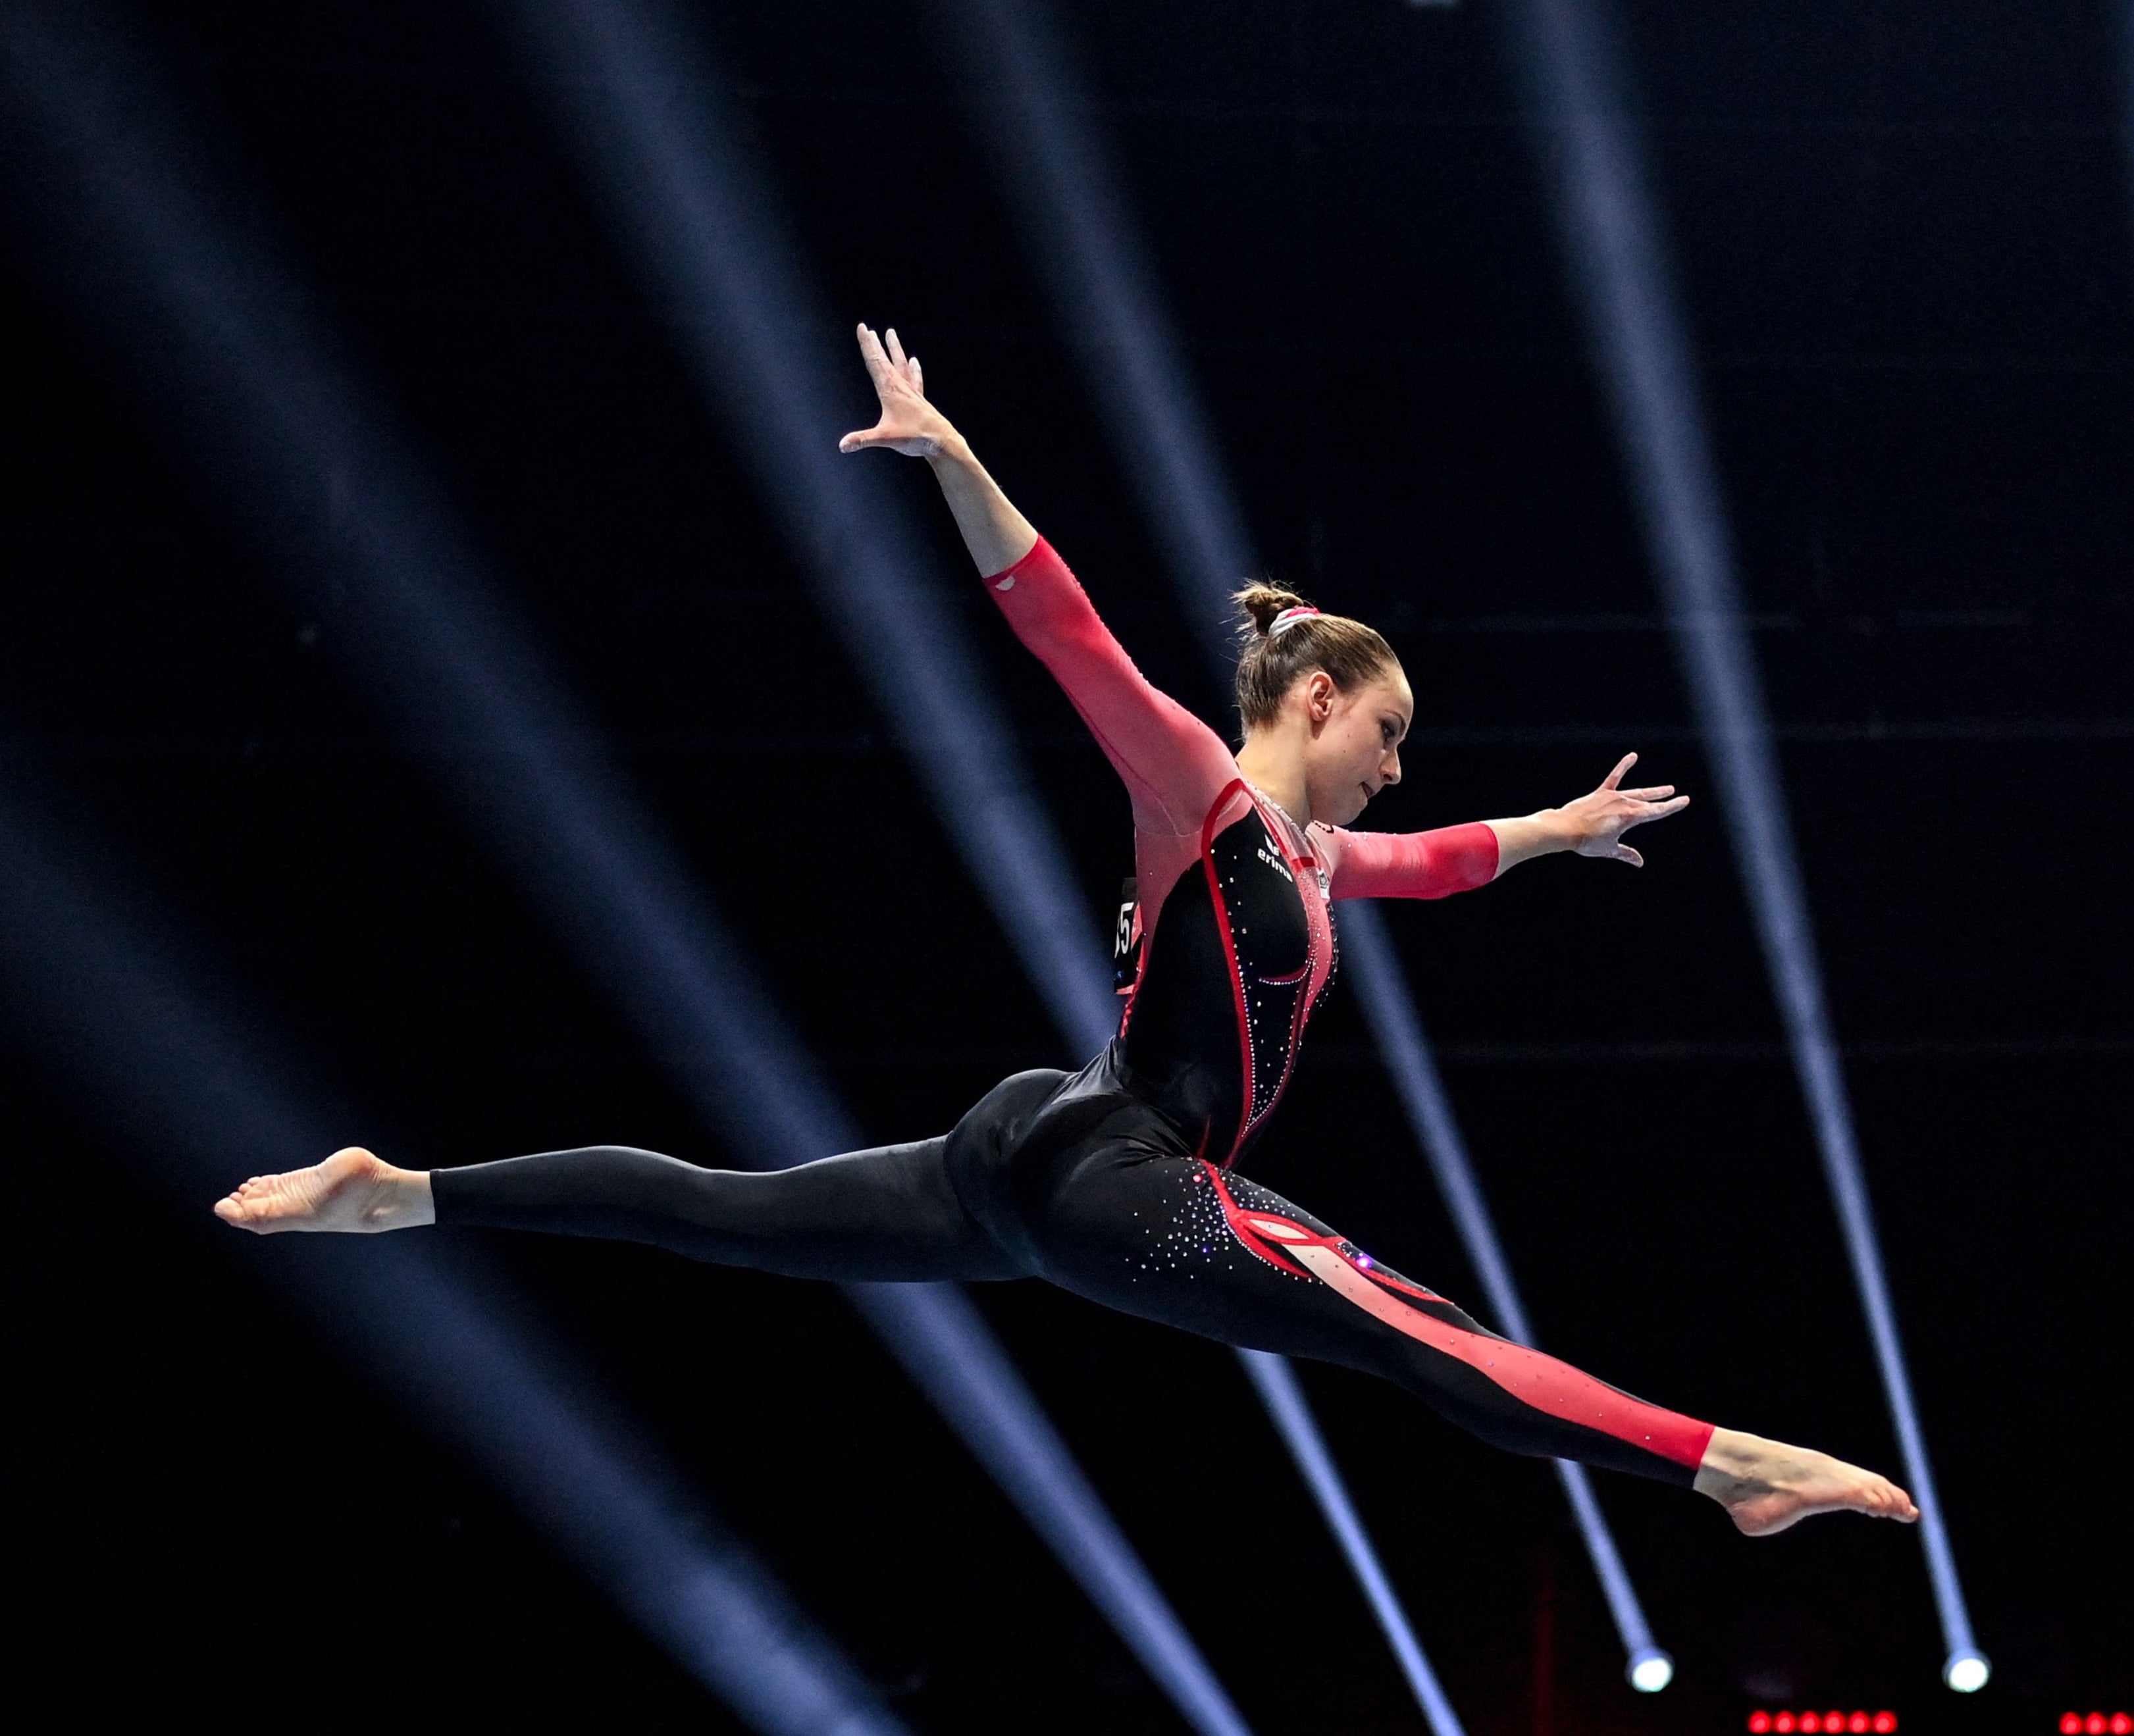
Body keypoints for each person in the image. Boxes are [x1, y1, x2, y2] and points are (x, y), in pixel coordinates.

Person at [218, 325, 1917, 1538]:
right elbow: (1072, 635)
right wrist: (959, 458)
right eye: (1383, 735)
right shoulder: (1204, 790)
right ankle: (1723, 1462)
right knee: (1420, 1335)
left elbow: (1440, 861)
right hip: (1120, 1177)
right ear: (1314, 699)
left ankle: (410, 1193)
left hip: (1029, 1159)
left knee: (724, 1217)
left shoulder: (1319, 862)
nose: (1394, 770)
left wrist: (1556, 828)